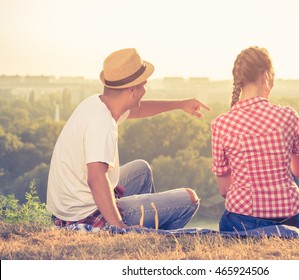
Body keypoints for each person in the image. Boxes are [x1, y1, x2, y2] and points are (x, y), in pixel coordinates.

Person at [46, 48, 210, 231]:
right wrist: (119, 226)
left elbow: (138, 110)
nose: (146, 89)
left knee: (142, 170)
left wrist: (180, 104)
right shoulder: (102, 124)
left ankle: (148, 231)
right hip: (84, 215)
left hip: (71, 204)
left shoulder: (97, 103)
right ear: (133, 90)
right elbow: (96, 178)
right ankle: (152, 239)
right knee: (189, 199)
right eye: (145, 84)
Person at [210, 46, 299, 232]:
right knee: (295, 163)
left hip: (240, 222)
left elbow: (224, 190)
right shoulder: (288, 116)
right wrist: (293, 150)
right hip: (291, 219)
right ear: (266, 76)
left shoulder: (220, 124)